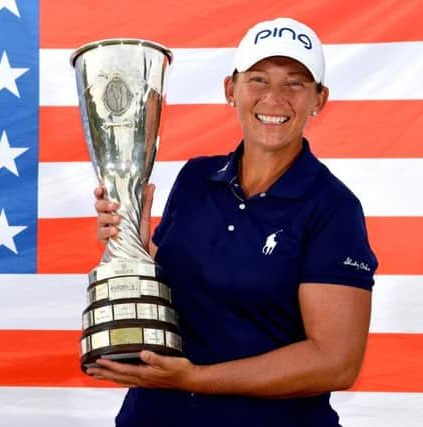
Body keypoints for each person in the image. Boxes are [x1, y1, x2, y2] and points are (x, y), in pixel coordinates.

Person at [88, 17, 378, 427]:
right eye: (258, 80)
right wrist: (131, 244)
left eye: (294, 83)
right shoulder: (196, 178)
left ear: (319, 98)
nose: (274, 97)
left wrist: (195, 379)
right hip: (155, 416)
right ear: (231, 90)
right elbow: (182, 282)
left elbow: (334, 362)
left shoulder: (332, 208)